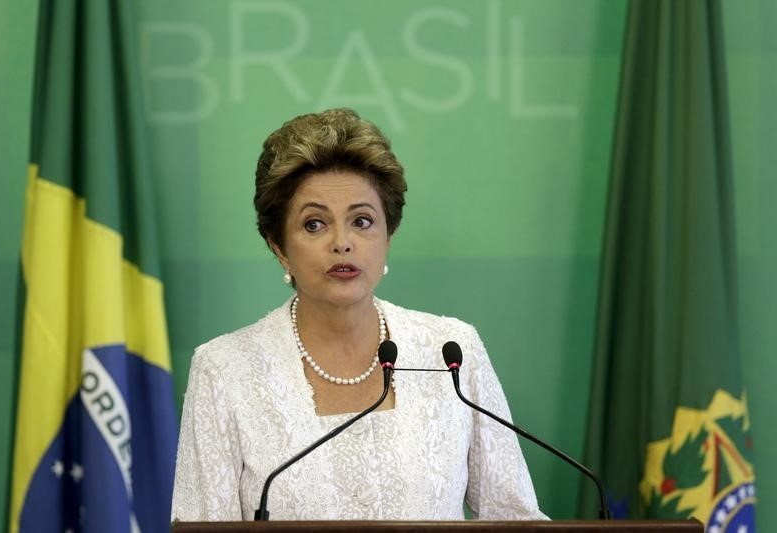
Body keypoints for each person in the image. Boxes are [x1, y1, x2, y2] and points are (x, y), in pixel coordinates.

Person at [171, 108, 547, 521]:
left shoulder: (451, 352)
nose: (342, 243)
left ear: (389, 235)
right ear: (279, 247)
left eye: (362, 221)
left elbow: (516, 521)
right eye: (314, 224)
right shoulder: (224, 371)